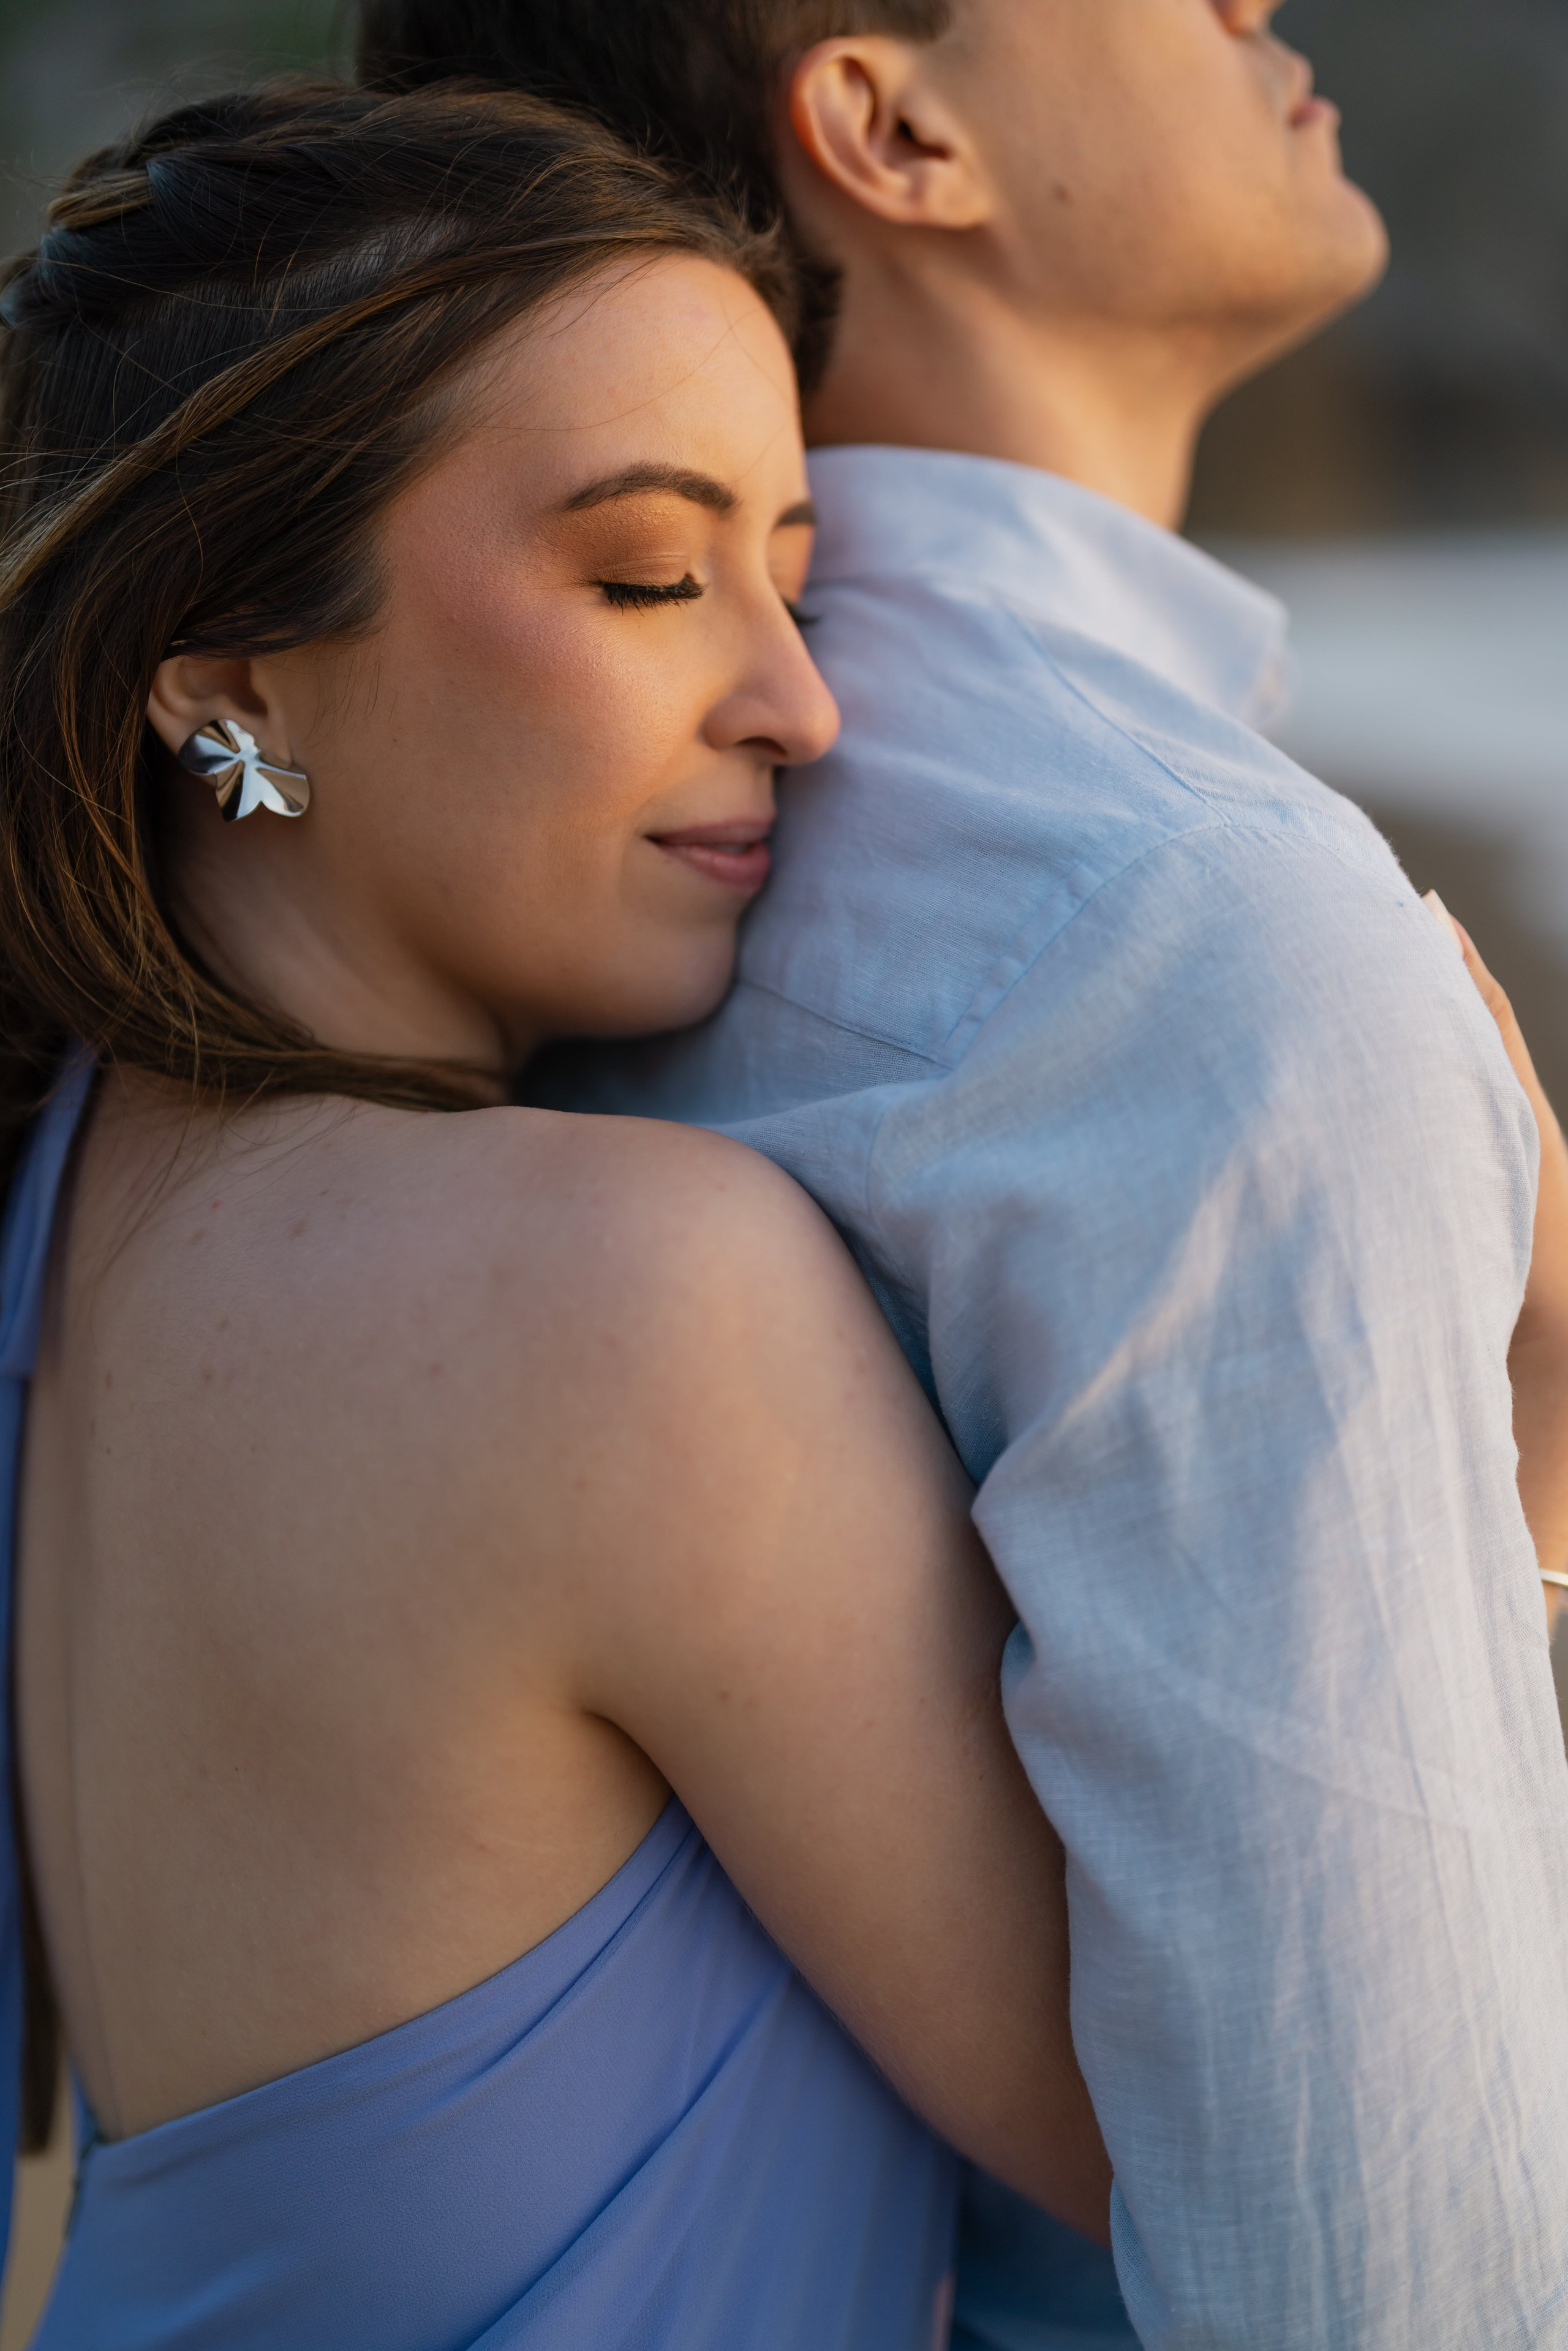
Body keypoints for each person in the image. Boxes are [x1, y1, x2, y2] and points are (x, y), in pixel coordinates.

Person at [358, 5, 1568, 2346]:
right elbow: (1389, 2266)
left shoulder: (475, 863)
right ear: (893, 127)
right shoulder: (1185, 930)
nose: (1248, 1)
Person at [0, 80, 1125, 2347]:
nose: (798, 703)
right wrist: (1533, 1434)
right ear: (227, 694)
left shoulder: (59, 1208)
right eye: (644, 575)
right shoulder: (619, 1289)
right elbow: (1195, 2118)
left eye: (794, 580)